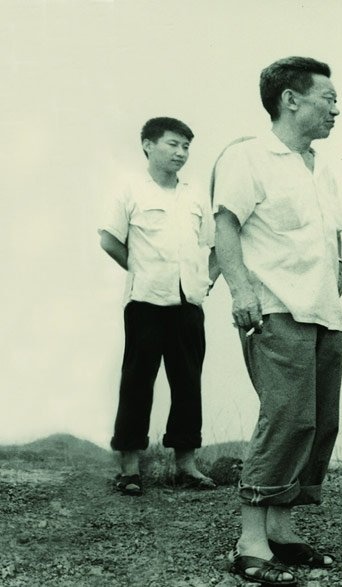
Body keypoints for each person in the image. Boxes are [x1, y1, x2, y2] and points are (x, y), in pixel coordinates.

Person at [213, 56, 342, 586]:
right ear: (291, 100)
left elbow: (333, 235)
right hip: (275, 306)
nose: (336, 109)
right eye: (328, 99)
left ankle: (281, 529)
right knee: (286, 416)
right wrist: (240, 291)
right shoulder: (248, 157)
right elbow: (226, 226)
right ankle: (250, 540)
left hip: (324, 311)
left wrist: (339, 276)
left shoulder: (320, 167)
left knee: (319, 422)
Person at [99, 117, 219, 497]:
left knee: (188, 382)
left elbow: (215, 245)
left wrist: (204, 281)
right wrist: (141, 270)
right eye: (173, 144)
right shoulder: (130, 189)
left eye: (186, 147)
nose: (181, 153)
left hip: (188, 302)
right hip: (145, 300)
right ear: (148, 145)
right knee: (137, 381)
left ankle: (186, 466)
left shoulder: (195, 195)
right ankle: (129, 469)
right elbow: (109, 240)